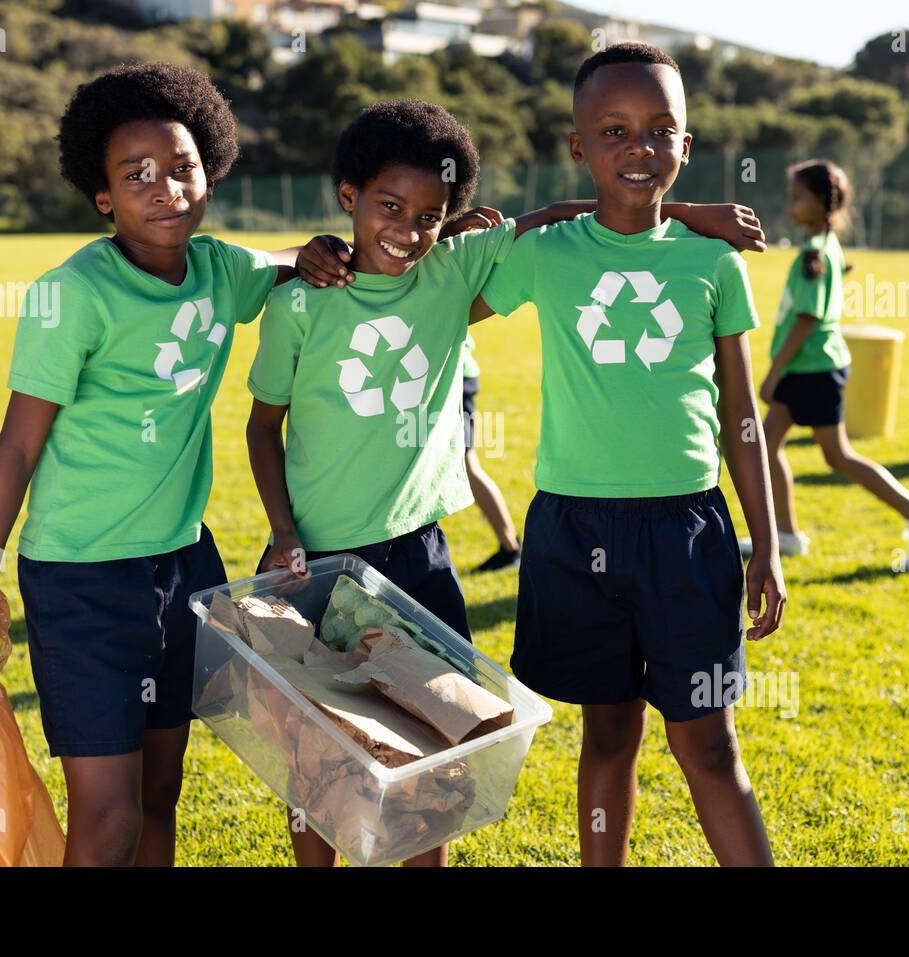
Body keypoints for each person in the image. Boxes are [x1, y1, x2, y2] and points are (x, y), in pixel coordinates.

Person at [246, 97, 766, 866]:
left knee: (433, 754)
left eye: (430, 213)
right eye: (390, 205)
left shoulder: (452, 272)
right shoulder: (300, 302)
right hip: (316, 561)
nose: (409, 226)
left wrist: (678, 207)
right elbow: (262, 424)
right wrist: (285, 532)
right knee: (321, 761)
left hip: (420, 556)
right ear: (350, 196)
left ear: (451, 218)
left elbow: (565, 215)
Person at [0, 63, 349, 866]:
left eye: (183, 167)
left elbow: (293, 258)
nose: (166, 189)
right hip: (83, 578)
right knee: (110, 819)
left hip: (184, 566)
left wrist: (324, 250)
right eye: (137, 174)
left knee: (162, 794)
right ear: (103, 195)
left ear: (211, 170)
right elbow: (15, 449)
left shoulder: (222, 270)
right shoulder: (72, 295)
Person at [477, 43, 784, 866]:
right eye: (612, 131)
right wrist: (660, 210)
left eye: (660, 131)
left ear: (687, 145)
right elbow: (449, 295)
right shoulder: (547, 254)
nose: (638, 148)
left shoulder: (714, 262)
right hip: (574, 530)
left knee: (709, 744)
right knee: (607, 731)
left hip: (690, 531)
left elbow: (742, 416)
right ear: (578, 147)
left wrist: (767, 541)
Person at [739, 159, 909, 571]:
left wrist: (773, 373)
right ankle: (784, 535)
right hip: (811, 369)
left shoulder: (814, 255)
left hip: (811, 371)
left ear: (822, 201)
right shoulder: (824, 247)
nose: (790, 206)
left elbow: (807, 319)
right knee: (768, 446)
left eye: (797, 198)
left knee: (837, 456)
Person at [461, 332, 523, 571]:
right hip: (446, 372)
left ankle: (510, 548)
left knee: (466, 466)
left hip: (452, 376)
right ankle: (510, 547)